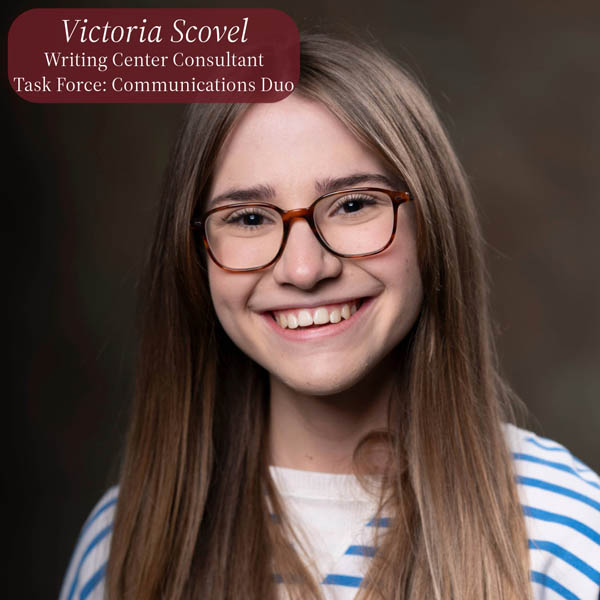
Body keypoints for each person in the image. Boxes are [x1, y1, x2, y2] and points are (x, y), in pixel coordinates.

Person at [59, 33, 600, 600]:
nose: (303, 268)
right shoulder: (122, 542)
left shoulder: (565, 538)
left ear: (432, 223)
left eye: (352, 204)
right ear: (194, 255)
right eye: (247, 218)